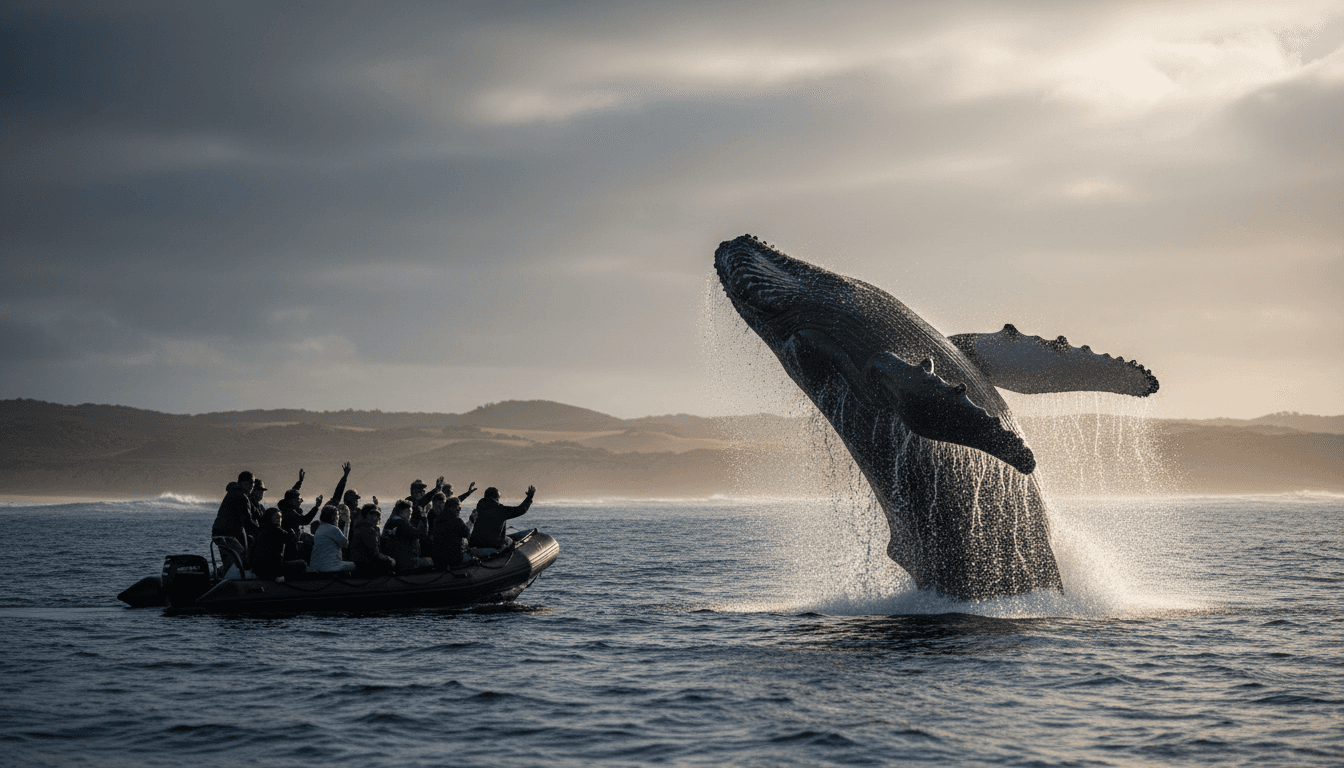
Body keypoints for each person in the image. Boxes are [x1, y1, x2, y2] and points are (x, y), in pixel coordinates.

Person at [212, 470, 261, 576]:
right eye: (250, 482)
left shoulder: (236, 493)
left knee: (231, 563)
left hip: (220, 534)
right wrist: (263, 533)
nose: (252, 485)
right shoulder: (241, 496)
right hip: (227, 535)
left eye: (253, 483)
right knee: (243, 561)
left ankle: (216, 578)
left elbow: (255, 514)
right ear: (242, 483)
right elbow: (247, 522)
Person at [468, 485, 536, 552]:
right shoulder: (501, 510)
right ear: (496, 498)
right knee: (511, 542)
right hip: (492, 545)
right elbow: (520, 510)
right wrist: (529, 498)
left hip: (475, 544)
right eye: (499, 498)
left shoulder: (478, 509)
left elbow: (471, 522)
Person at [251, 508, 310, 581]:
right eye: (276, 516)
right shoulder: (278, 531)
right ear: (269, 517)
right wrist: (279, 574)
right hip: (271, 569)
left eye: (280, 517)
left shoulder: (261, 530)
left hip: (259, 569)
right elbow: (279, 554)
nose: (279, 519)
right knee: (302, 564)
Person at [382, 499, 433, 569]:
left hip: (395, 559)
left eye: (411, 512)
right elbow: (421, 535)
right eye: (408, 512)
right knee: (430, 561)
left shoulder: (390, 522)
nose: (410, 515)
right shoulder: (401, 523)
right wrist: (424, 517)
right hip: (405, 561)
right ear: (401, 512)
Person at [349, 503, 396, 576]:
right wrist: (389, 560)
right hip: (366, 568)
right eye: (373, 514)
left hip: (359, 565)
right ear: (366, 515)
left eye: (377, 515)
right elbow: (375, 554)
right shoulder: (368, 530)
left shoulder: (359, 527)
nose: (376, 517)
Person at [310, 506, 356, 573]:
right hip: (329, 566)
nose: (338, 517)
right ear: (333, 517)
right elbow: (345, 544)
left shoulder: (320, 528)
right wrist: (347, 524)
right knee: (354, 565)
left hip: (315, 565)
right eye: (337, 514)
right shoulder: (332, 528)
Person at [430, 495, 472, 569]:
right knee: (472, 557)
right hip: (454, 558)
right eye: (458, 506)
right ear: (452, 508)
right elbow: (467, 533)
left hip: (437, 558)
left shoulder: (437, 520)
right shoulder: (457, 520)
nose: (460, 508)